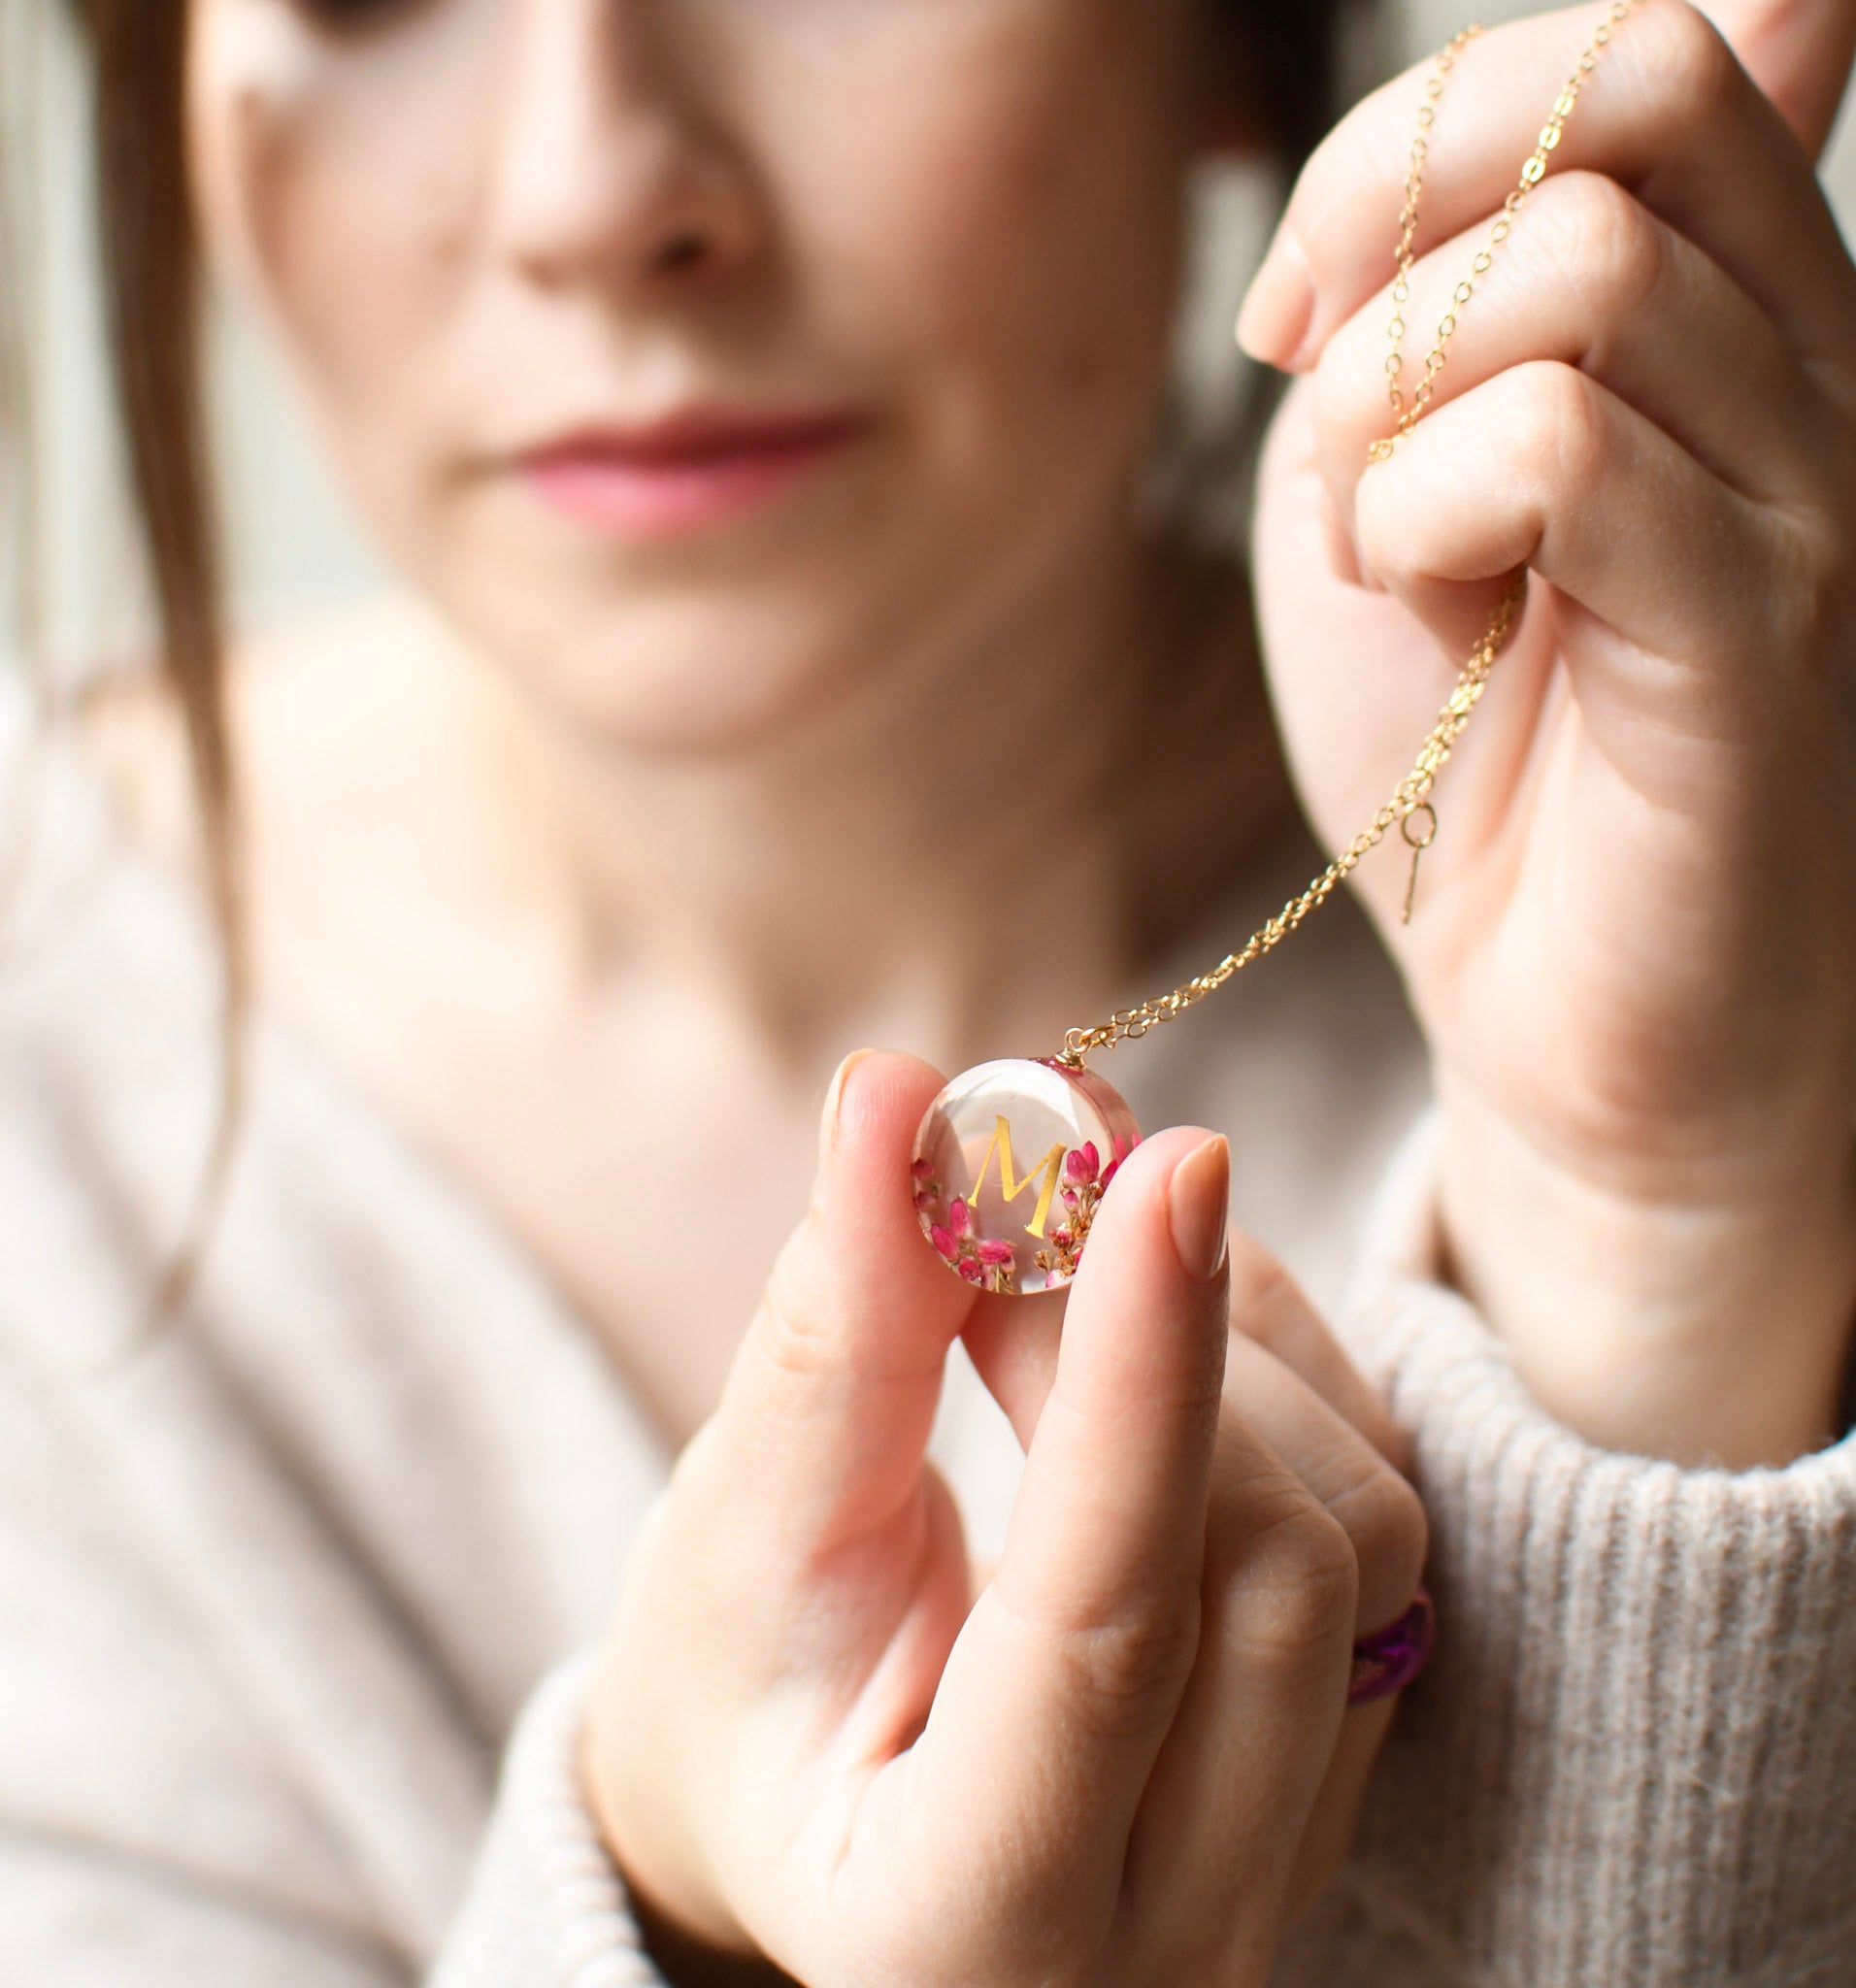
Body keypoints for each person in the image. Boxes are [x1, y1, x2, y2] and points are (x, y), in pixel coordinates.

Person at [2, 0, 1853, 1981]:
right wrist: (673, 1922)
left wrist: (1660, 1239)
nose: (593, 195)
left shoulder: (1731, 915)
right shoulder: (56, 1111)